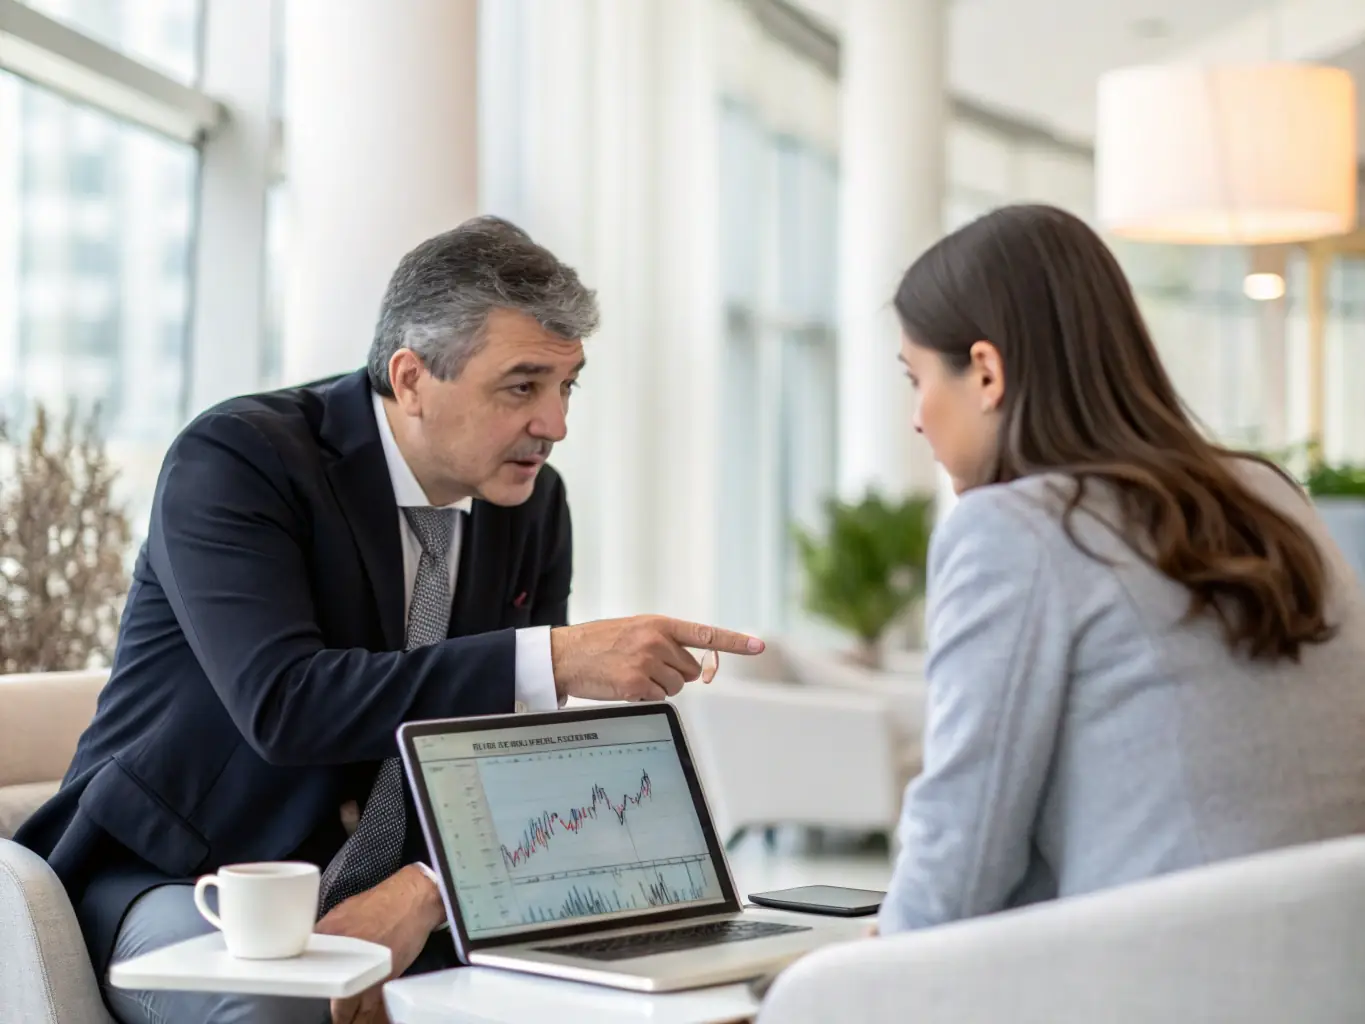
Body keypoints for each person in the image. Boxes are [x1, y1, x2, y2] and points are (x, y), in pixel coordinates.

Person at [16, 215, 764, 1024]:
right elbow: (286, 704)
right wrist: (553, 658)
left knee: (630, 991)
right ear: (411, 378)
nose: (555, 425)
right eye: (522, 386)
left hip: (397, 886)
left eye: (566, 385)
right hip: (192, 875)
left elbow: (510, 759)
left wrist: (422, 893)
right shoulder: (238, 460)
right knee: (278, 1013)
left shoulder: (532, 503)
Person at [877, 203, 1365, 935]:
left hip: (1154, 983)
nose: (916, 417)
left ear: (985, 372)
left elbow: (956, 867)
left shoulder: (1013, 531)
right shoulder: (1269, 495)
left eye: (915, 379)